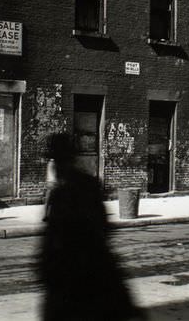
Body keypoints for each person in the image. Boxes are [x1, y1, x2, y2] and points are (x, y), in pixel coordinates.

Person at [39, 133, 142, 320]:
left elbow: (97, 230)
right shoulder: (79, 187)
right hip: (82, 275)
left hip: (81, 277)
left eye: (58, 160)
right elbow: (104, 228)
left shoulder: (73, 190)